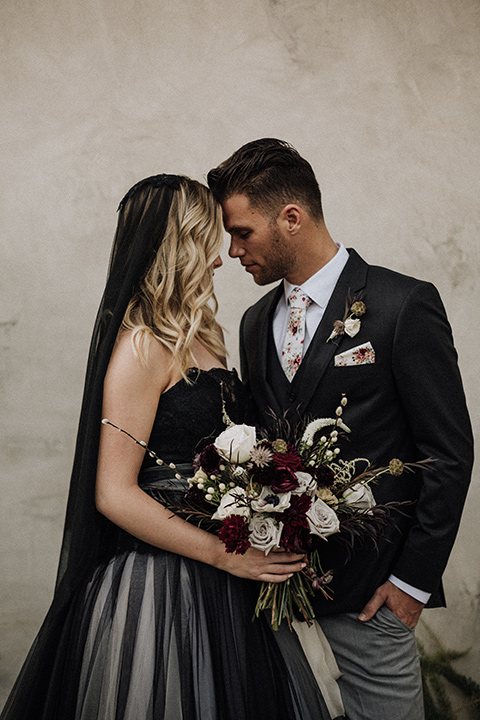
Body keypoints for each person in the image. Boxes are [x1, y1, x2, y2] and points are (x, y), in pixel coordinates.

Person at [0, 174, 335, 720]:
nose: (221, 259)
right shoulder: (140, 345)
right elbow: (114, 493)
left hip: (229, 579)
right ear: (178, 246)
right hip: (162, 587)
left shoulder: (207, 336)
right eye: (209, 243)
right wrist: (226, 556)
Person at [207, 139, 474, 720]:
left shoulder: (401, 305)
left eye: (243, 232)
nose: (232, 251)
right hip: (274, 597)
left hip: (371, 599)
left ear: (291, 218)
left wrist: (411, 584)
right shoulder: (254, 323)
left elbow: (449, 454)